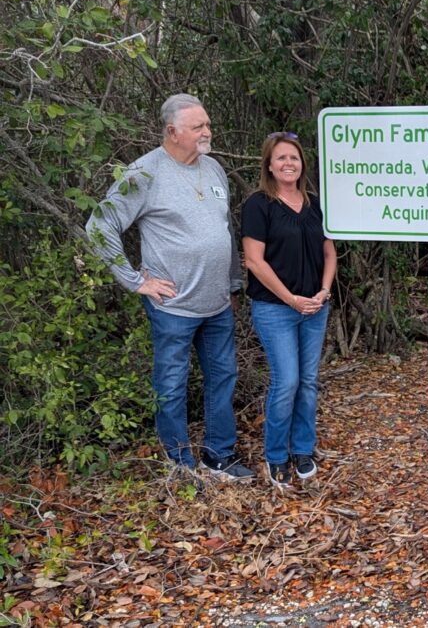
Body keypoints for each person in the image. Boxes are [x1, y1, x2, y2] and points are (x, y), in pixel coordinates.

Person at [86, 93, 254, 482]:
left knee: (222, 378)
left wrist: (231, 282)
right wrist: (134, 281)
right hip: (173, 306)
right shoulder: (144, 173)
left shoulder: (213, 169)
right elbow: (99, 226)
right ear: (172, 131)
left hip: (216, 304)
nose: (207, 132)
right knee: (173, 385)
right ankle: (179, 463)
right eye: (198, 127)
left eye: (207, 124)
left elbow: (223, 231)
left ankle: (219, 457)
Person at [241, 132, 336, 490]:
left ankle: (302, 450)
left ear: (302, 163)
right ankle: (276, 455)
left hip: (315, 307)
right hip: (275, 308)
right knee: (287, 381)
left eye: (293, 158)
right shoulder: (258, 205)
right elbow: (254, 261)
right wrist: (291, 299)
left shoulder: (314, 203)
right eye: (281, 158)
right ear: (269, 164)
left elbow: (329, 252)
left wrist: (324, 291)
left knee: (308, 382)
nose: (288, 164)